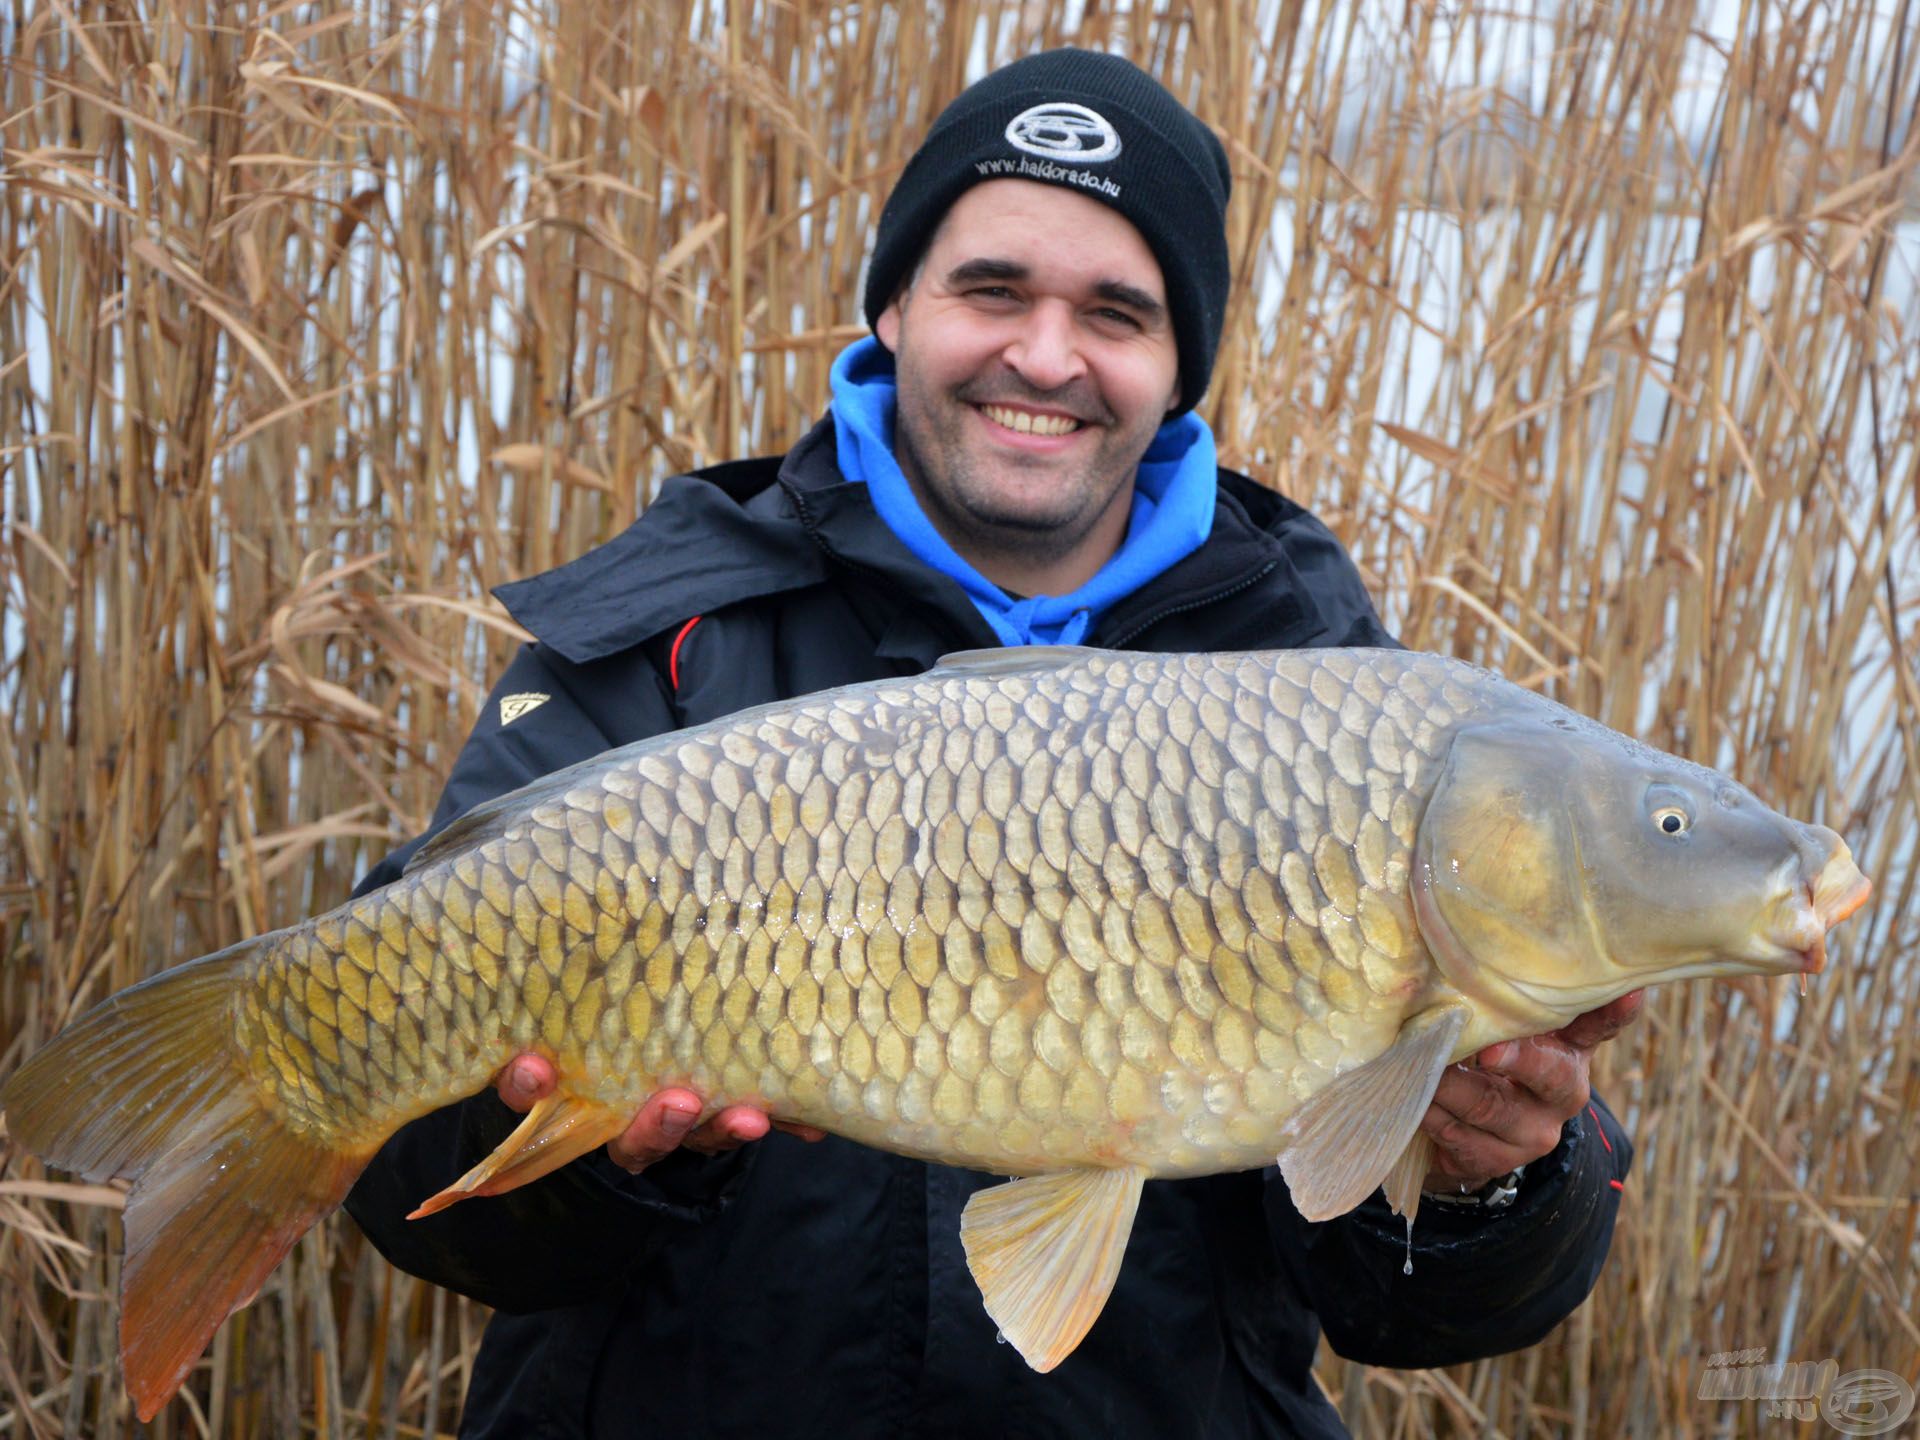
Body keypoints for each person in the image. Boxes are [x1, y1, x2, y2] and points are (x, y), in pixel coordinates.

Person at [345, 48, 1640, 1440]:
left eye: (1115, 312)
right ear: (897, 305)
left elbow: (1410, 1317)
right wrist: (614, 1163)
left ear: (1176, 363)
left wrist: (1491, 1180)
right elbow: (425, 1210)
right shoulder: (663, 646)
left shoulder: (1329, 704)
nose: (1044, 355)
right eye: (992, 290)